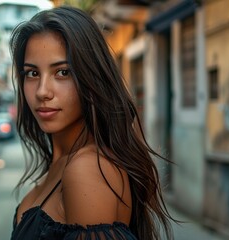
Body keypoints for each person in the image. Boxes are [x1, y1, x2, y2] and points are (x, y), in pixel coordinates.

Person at [9, 6, 175, 240]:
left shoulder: (86, 169)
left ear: (90, 77)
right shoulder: (64, 162)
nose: (42, 92)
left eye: (63, 72)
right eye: (32, 74)